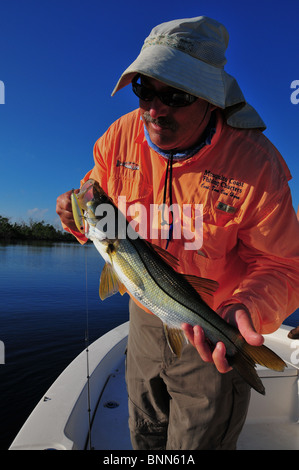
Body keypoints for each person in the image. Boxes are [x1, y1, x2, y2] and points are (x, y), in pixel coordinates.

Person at [56, 16, 299, 450]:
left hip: (214, 324)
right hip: (144, 313)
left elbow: (283, 264)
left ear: (211, 98)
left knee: (198, 441)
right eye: (144, 90)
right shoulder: (119, 138)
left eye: (176, 94)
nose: (155, 108)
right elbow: (95, 200)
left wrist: (247, 306)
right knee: (144, 424)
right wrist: (75, 214)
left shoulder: (256, 165)